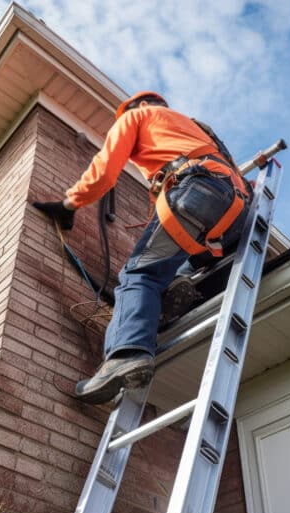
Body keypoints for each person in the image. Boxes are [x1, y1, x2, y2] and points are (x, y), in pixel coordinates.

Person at [34, 91, 252, 404]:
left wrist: (69, 203)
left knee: (140, 275)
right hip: (236, 212)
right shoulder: (196, 130)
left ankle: (126, 353)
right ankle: (179, 284)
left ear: (140, 106)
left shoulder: (137, 117)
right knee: (178, 261)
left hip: (197, 193)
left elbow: (106, 169)